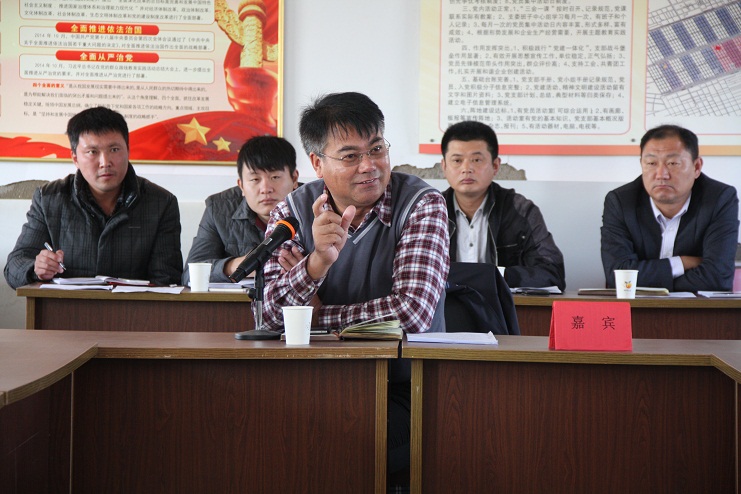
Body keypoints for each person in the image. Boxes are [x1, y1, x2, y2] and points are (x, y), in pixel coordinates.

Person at [258, 92, 450, 482]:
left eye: (377, 149)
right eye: (350, 156)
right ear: (317, 163)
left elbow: (411, 313)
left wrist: (313, 315)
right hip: (315, 379)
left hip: (405, 384)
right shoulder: (291, 211)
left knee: (340, 445)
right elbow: (267, 319)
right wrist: (316, 265)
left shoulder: (421, 204)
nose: (369, 166)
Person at [4, 106, 182, 289]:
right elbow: (14, 267)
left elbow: (167, 280)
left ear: (128, 151)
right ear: (75, 158)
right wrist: (36, 268)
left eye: (114, 149)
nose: (105, 162)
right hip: (66, 306)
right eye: (92, 152)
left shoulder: (161, 203)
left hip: (133, 306)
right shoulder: (49, 199)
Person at [601, 124, 739, 291]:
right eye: (651, 163)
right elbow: (618, 276)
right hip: (639, 307)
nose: (661, 174)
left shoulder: (719, 199)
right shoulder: (621, 202)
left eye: (673, 163)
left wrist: (649, 283)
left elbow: (717, 278)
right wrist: (681, 263)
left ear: (696, 167)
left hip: (697, 307)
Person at [440, 120, 566, 290]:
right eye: (457, 160)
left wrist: (496, 276)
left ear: (495, 165)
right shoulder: (430, 211)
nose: (466, 168)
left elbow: (552, 273)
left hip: (502, 304)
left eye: (476, 160)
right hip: (446, 304)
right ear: (444, 166)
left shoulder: (520, 210)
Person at [182, 135, 299, 285]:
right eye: (255, 179)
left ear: (294, 179)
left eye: (275, 177)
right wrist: (237, 266)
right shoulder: (218, 209)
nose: (265, 189)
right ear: (241, 185)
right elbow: (190, 275)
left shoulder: (316, 204)